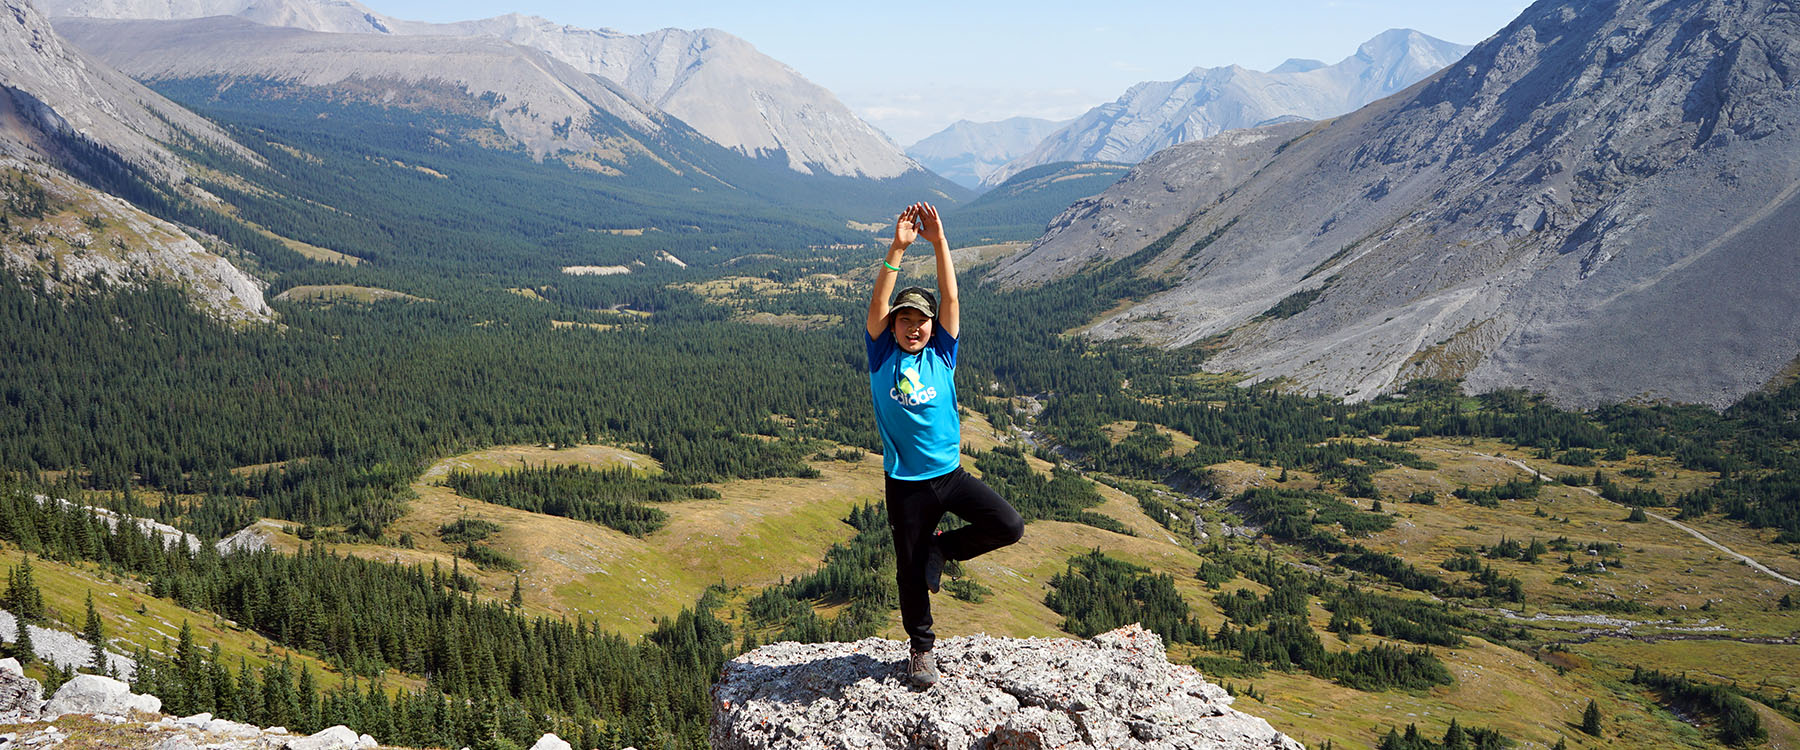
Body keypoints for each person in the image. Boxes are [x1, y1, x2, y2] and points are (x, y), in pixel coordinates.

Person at [865, 202, 1024, 687]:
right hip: (907, 485)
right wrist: (897, 248)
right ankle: (921, 650)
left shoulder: (943, 356)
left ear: (933, 326)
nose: (914, 326)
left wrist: (939, 243)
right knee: (909, 572)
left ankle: (943, 548)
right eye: (905, 319)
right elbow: (875, 305)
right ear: (892, 327)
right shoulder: (880, 357)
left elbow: (952, 299)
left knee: (1008, 525)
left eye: (922, 320)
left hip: (950, 476)